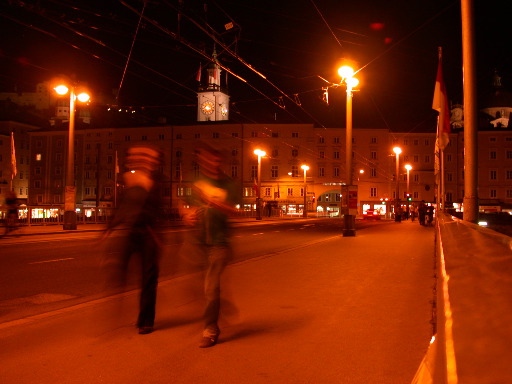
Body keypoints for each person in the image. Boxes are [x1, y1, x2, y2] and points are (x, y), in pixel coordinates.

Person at [179, 144, 241, 348]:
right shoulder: (198, 182)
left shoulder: (228, 184)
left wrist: (212, 202)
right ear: (202, 162)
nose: (211, 164)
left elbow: (235, 211)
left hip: (219, 243)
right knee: (200, 288)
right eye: (207, 160)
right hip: (198, 243)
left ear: (219, 162)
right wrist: (186, 215)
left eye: (215, 160)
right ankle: (218, 308)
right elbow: (186, 206)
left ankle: (211, 329)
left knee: (210, 287)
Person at [101, 144, 164, 335]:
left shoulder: (155, 180)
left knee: (148, 280)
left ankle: (145, 321)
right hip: (131, 233)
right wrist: (109, 226)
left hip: (149, 235)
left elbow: (156, 209)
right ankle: (117, 313)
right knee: (121, 273)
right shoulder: (129, 179)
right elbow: (123, 205)